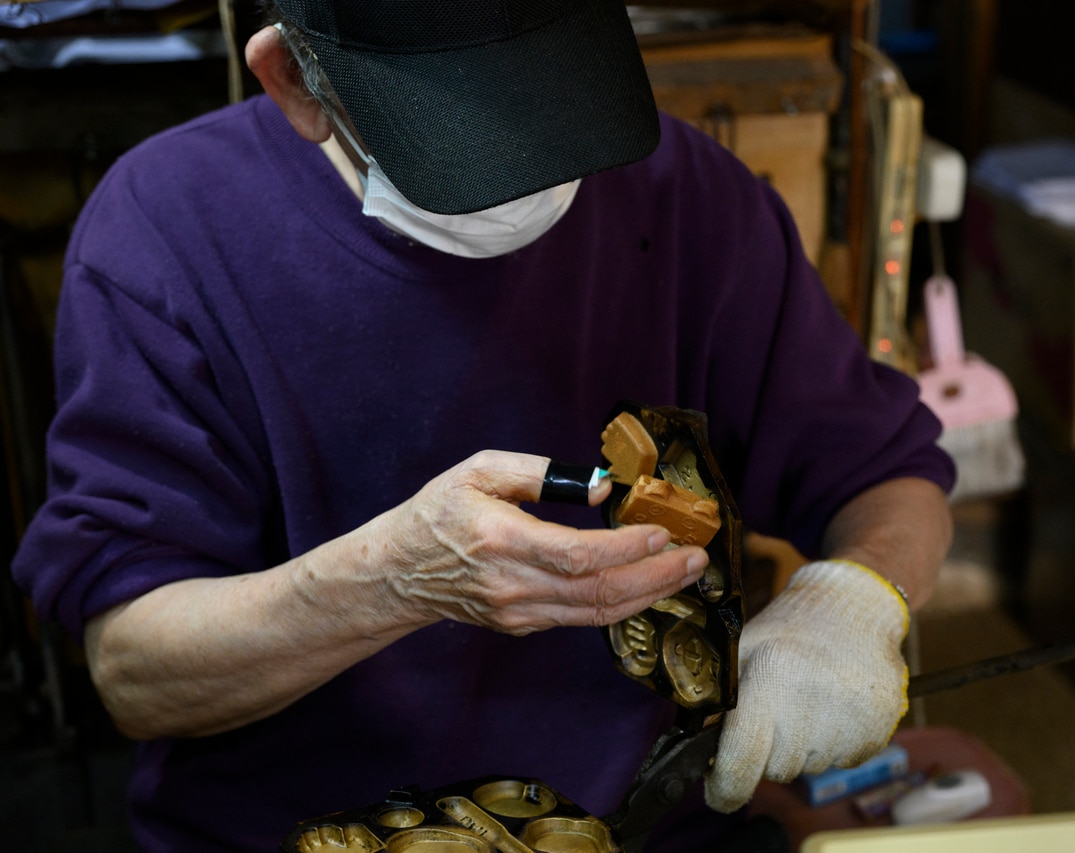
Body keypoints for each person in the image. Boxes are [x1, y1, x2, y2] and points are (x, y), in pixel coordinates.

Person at [11, 0, 955, 849]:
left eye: (550, 101)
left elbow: (889, 471)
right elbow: (134, 674)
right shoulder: (166, 234)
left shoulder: (690, 195)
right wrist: (386, 581)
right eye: (458, 136)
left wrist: (853, 600)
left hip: (652, 827)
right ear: (297, 81)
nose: (530, 176)